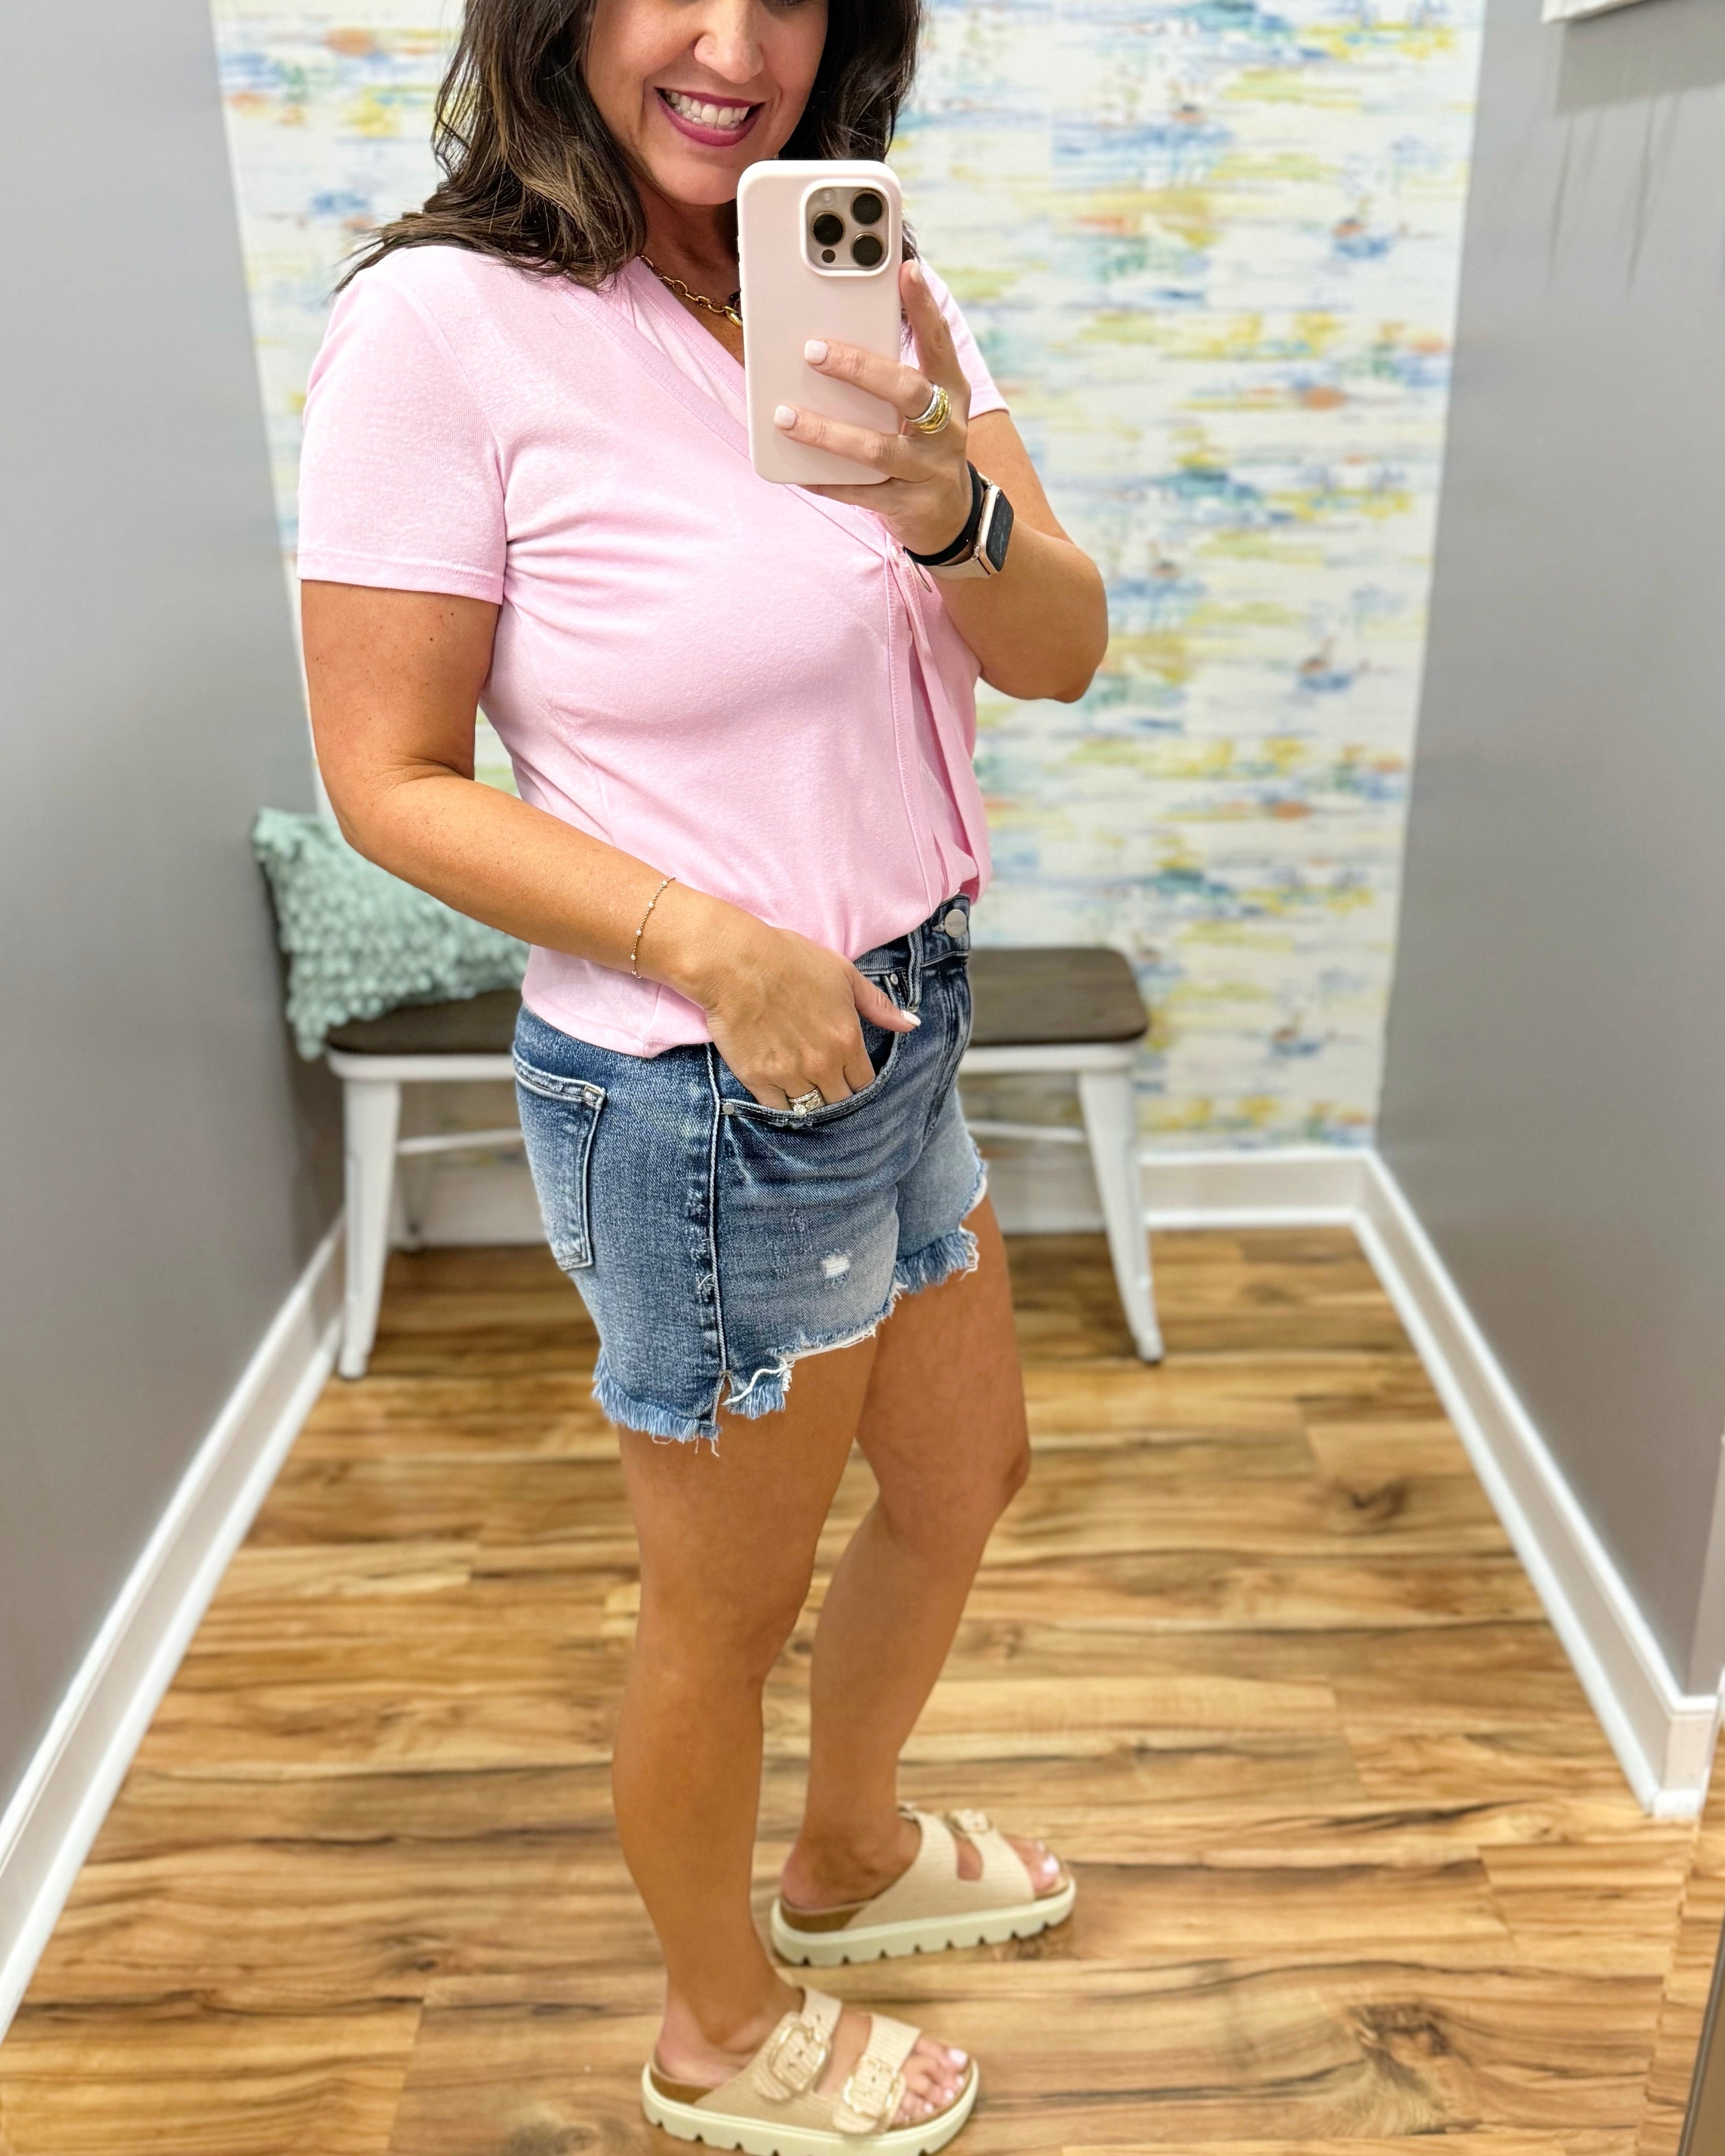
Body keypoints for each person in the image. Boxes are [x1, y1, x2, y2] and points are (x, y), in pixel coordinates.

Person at [298, 0, 1107, 2144]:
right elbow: (384, 775)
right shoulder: (443, 328)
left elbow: (1059, 645)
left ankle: (843, 1854)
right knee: (717, 1611)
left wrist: (949, 496)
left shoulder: (852, 276)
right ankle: (716, 2026)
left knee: (961, 1478)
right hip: (706, 1080)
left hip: (904, 1012)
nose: (731, 40)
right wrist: (703, 943)